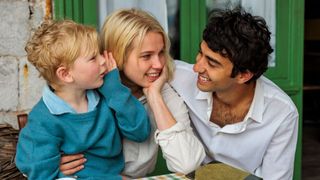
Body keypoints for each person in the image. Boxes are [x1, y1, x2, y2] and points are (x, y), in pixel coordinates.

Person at [59, 9, 206, 178]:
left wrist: (155, 97)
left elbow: (188, 164)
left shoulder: (160, 90)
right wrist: (52, 163)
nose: (158, 64)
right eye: (146, 56)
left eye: (161, 53)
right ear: (118, 55)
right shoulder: (89, 89)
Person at [170, 8, 299, 179]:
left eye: (212, 63)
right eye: (201, 53)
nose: (197, 67)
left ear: (243, 75)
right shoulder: (178, 76)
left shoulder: (281, 114)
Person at [15, 19, 151, 180]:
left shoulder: (106, 97)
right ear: (66, 74)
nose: (103, 61)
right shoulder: (43, 120)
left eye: (100, 53)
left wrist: (115, 90)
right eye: (93, 58)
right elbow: (37, 171)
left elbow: (140, 132)